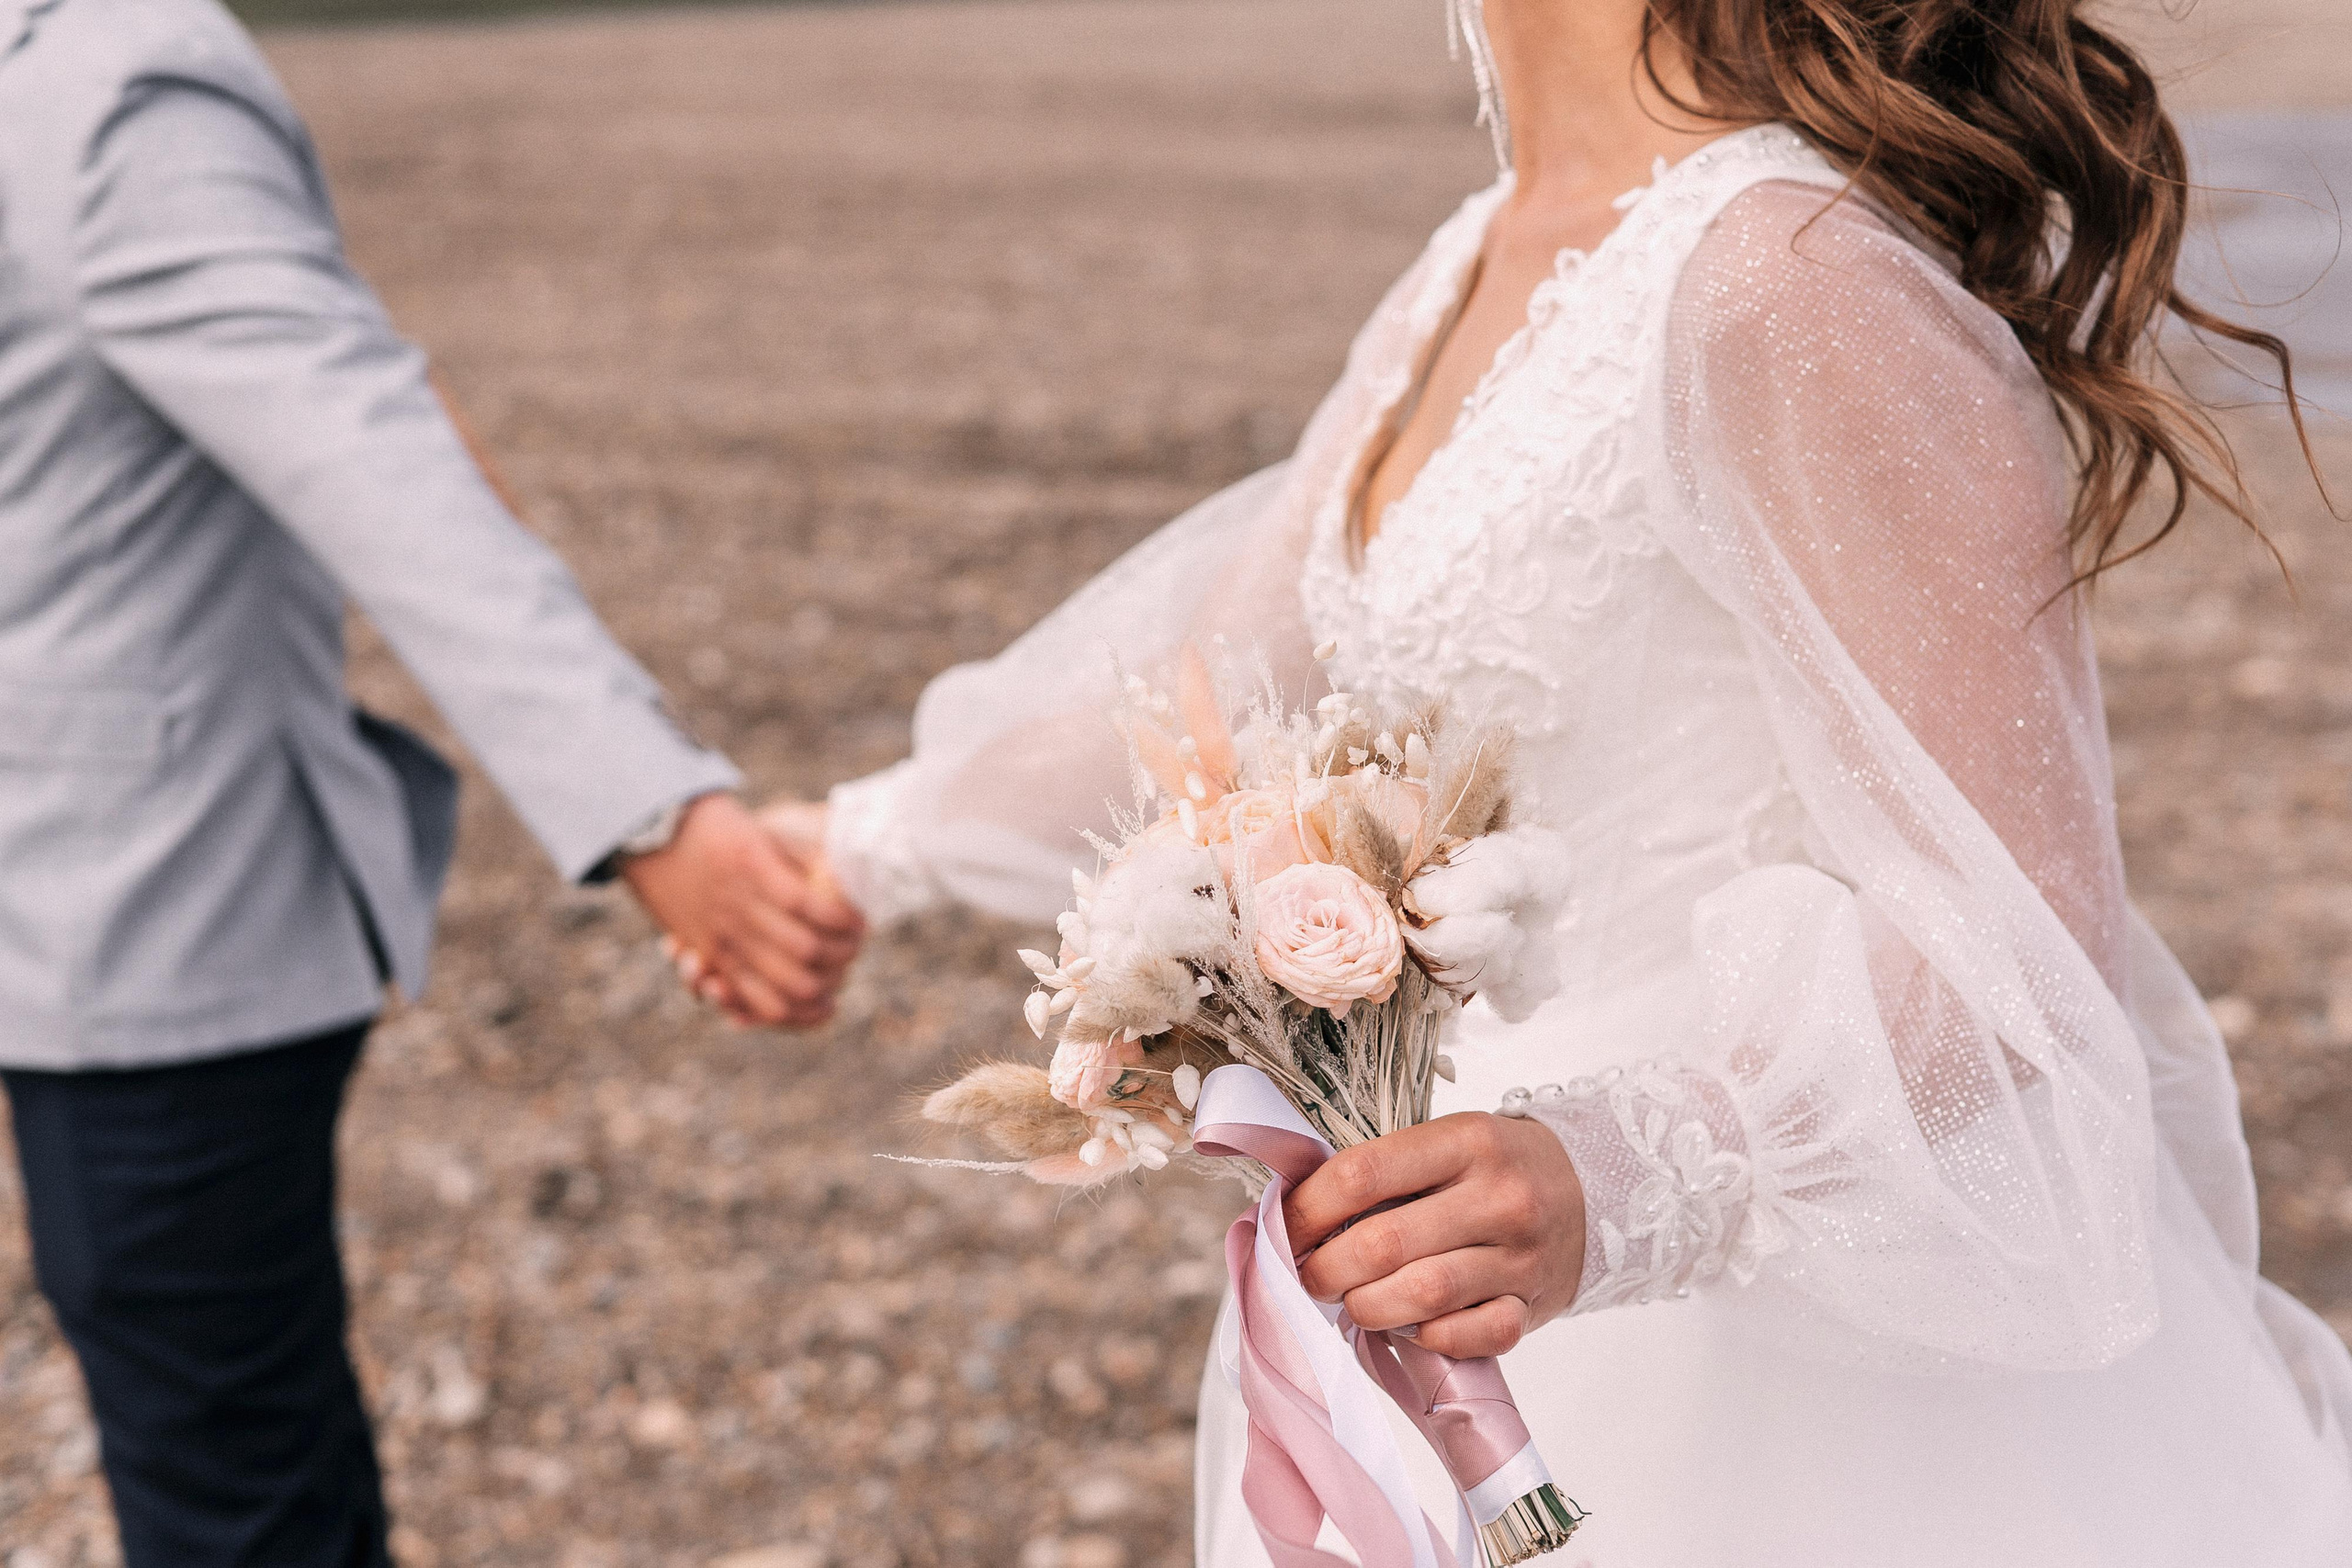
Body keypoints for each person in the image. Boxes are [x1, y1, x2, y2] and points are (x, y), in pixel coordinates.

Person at [775, 0, 2352, 1560]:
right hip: (1446, 1270)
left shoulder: (1789, 277)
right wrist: (838, 851)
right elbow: (1217, 681)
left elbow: (2023, 938)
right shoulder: (1477, 259)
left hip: (1761, 1353)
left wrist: (1626, 1174)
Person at [0, 1, 863, 1563]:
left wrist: (650, 809)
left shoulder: (110, 88)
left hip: (141, 917)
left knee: (223, 1471)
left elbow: (379, 450)